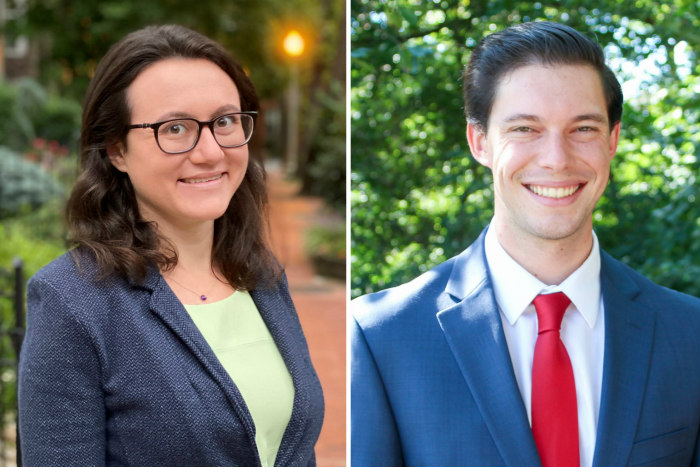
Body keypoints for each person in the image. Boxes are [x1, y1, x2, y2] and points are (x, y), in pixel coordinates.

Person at [351, 21, 700, 467]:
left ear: (612, 140)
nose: (557, 159)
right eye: (525, 129)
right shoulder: (381, 337)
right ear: (480, 141)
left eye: (584, 129)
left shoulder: (689, 335)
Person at [19, 24, 324, 467]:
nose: (210, 152)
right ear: (116, 149)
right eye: (175, 128)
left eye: (224, 122)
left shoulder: (261, 275)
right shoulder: (72, 302)